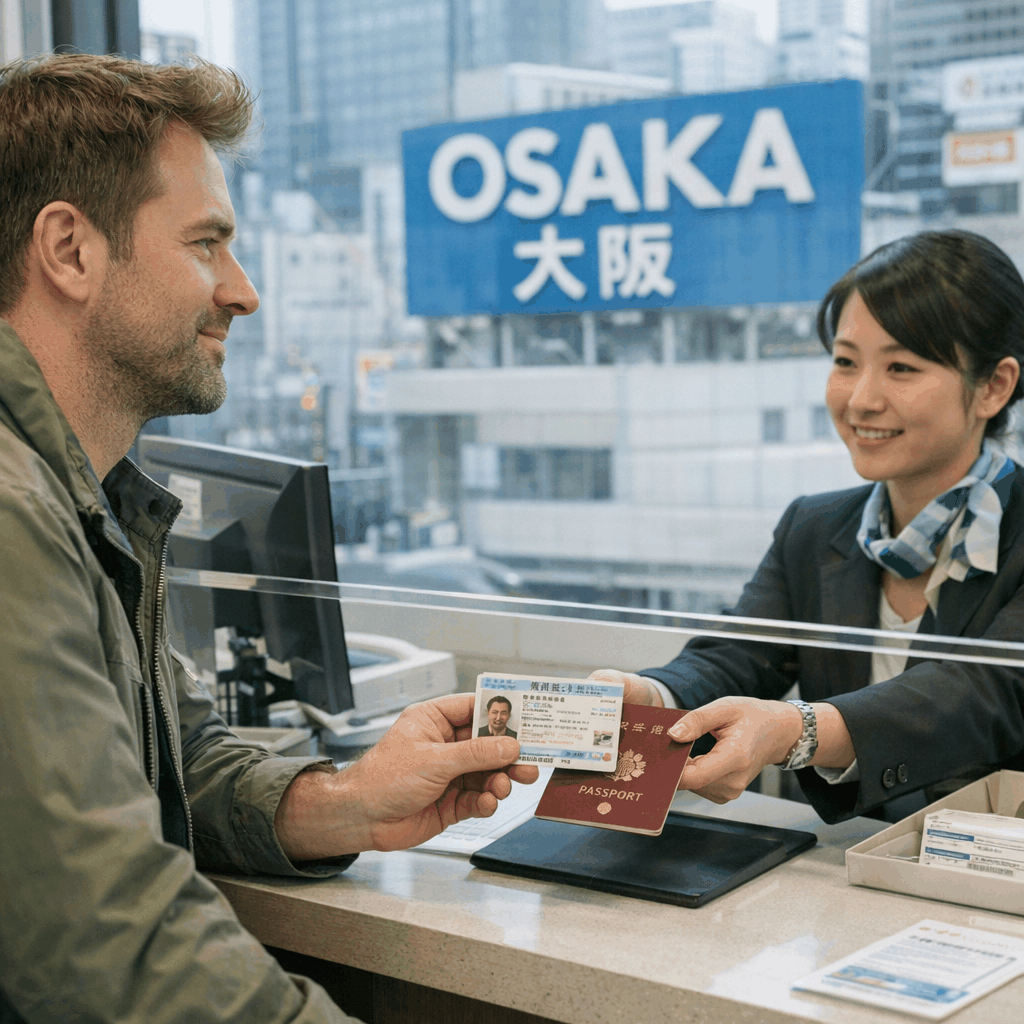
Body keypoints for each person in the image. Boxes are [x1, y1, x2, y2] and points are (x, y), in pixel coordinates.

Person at [0, 53, 536, 1024]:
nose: (242, 292)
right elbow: (109, 937)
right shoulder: (9, 509)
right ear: (70, 251)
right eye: (206, 244)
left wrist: (346, 801)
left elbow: (169, 758)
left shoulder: (89, 497)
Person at [594, 229, 1024, 824]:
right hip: (845, 871)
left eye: (901, 367)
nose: (861, 399)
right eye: (846, 363)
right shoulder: (814, 526)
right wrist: (650, 698)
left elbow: (986, 694)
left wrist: (800, 729)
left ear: (993, 387)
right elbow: (738, 659)